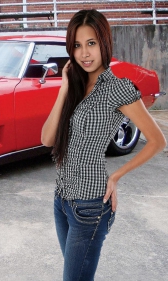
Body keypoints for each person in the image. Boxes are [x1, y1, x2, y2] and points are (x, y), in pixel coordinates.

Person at [40, 9, 166, 281]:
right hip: (61, 199)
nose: (84, 53)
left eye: (91, 43)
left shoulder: (117, 89)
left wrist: (117, 176)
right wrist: (63, 88)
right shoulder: (75, 85)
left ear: (104, 43)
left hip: (90, 206)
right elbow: (47, 139)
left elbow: (157, 141)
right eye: (77, 45)